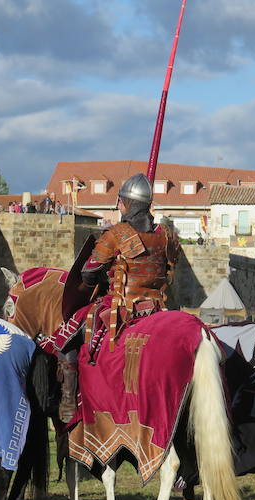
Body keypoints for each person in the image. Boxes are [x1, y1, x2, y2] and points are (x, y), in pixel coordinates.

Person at [42, 173, 178, 422]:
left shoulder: (117, 234)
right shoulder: (166, 235)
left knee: (70, 330)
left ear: (128, 204)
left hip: (123, 306)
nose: (118, 206)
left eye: (120, 201)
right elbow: (169, 268)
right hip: (158, 308)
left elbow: (88, 272)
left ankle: (69, 400)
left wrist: (102, 279)